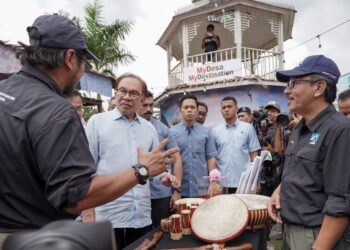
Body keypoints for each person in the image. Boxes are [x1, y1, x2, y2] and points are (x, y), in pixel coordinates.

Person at [0, 14, 177, 247]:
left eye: (134, 93)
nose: (83, 71)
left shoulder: (5, 89)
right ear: (70, 58)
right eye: (85, 63)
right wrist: (142, 171)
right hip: (33, 238)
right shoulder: (56, 112)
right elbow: (75, 195)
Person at [268, 55, 350, 250]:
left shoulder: (340, 130)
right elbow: (302, 170)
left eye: (294, 83)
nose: (287, 90)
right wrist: (278, 191)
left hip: (317, 235)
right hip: (290, 230)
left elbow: (341, 201)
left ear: (319, 88)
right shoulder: (300, 128)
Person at [137, 90, 183, 227]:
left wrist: (176, 191)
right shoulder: (126, 128)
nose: (149, 109)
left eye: (151, 105)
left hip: (160, 192)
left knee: (161, 231)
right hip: (136, 192)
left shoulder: (163, 129)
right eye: (144, 105)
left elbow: (176, 158)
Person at [170, 94, 219, 198]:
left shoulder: (207, 132)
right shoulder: (172, 132)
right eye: (186, 107)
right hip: (180, 189)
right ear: (180, 110)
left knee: (202, 213)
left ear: (197, 111)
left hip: (202, 188)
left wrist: (213, 182)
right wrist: (175, 190)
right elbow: (170, 162)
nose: (189, 110)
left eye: (192, 107)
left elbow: (210, 158)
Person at [210, 97, 261, 193]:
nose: (226, 109)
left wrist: (256, 181)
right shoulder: (215, 131)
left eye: (229, 106)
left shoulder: (248, 128)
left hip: (244, 184)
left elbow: (254, 156)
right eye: (223, 107)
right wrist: (213, 182)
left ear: (236, 109)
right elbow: (212, 158)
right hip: (222, 185)